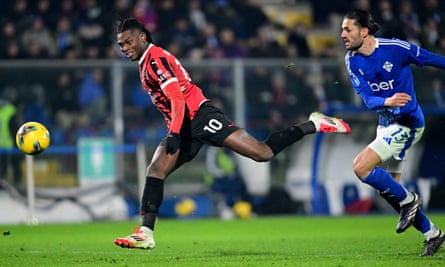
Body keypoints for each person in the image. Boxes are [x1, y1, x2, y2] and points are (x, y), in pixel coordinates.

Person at [113, 17, 350, 250]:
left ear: (142, 37)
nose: (124, 48)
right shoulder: (146, 62)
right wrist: (176, 130)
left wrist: (174, 132)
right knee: (156, 170)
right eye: (121, 44)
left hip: (199, 117)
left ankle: (313, 124)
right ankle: (145, 233)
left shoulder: (155, 59)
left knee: (262, 153)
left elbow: (176, 96)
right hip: (183, 125)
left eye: (128, 42)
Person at [341, 9, 445, 256]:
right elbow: (367, 98)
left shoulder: (395, 48)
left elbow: (432, 59)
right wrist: (387, 101)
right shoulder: (351, 60)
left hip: (408, 124)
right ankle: (433, 233)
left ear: (364, 32)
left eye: (348, 29)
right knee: (389, 189)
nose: (342, 34)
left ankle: (410, 200)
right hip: (386, 125)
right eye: (342, 29)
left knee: (361, 167)